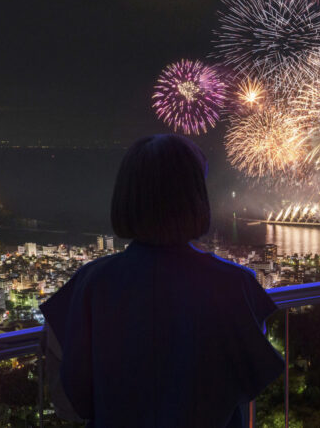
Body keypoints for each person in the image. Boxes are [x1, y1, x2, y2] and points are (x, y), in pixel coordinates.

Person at [40, 134, 284, 427]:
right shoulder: (235, 284)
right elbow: (251, 379)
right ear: (196, 198)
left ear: (126, 196)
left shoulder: (89, 284)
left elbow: (69, 399)